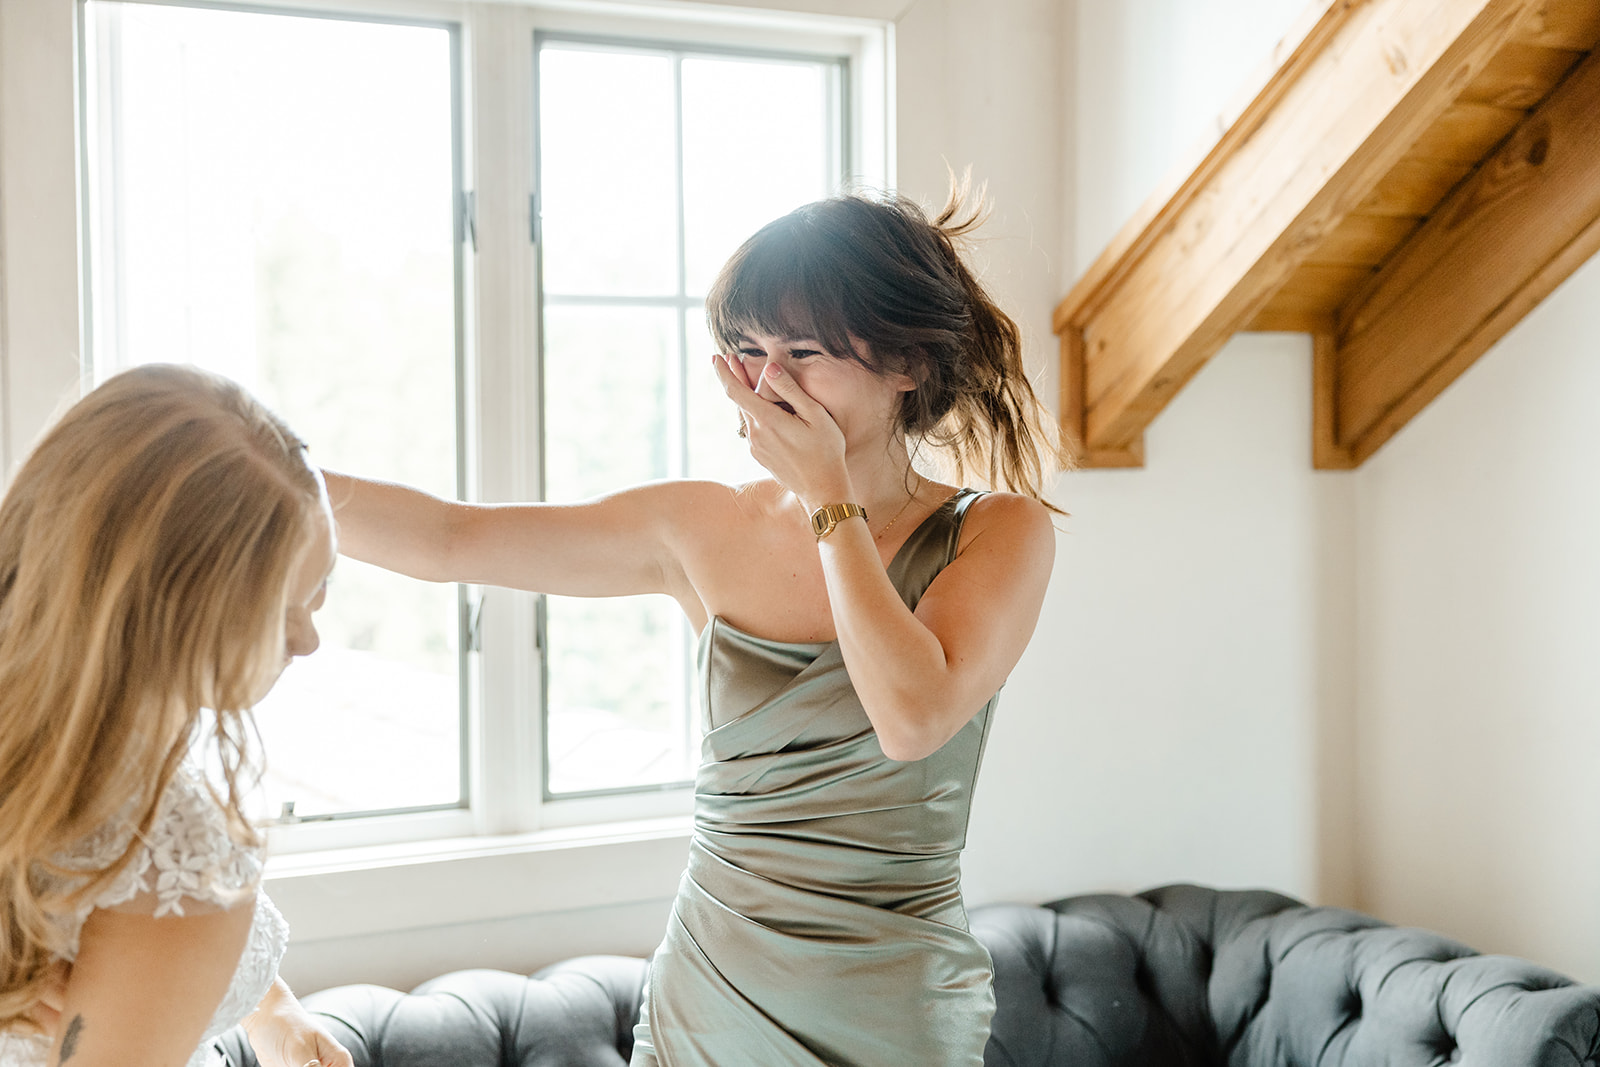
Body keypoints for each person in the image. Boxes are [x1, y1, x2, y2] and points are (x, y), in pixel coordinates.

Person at [323, 187, 1066, 1066]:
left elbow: (911, 718)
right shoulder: (700, 528)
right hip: (707, 1002)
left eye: (803, 352)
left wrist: (831, 500)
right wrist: (258, 467)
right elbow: (452, 538)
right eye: (748, 351)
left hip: (893, 1011)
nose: (767, 383)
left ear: (906, 362)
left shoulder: (1000, 530)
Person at [0, 364, 354, 1067]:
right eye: (282, 613)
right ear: (172, 608)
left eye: (320, 595)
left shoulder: (65, 717)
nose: (308, 640)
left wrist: (273, 1011)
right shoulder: (180, 855)